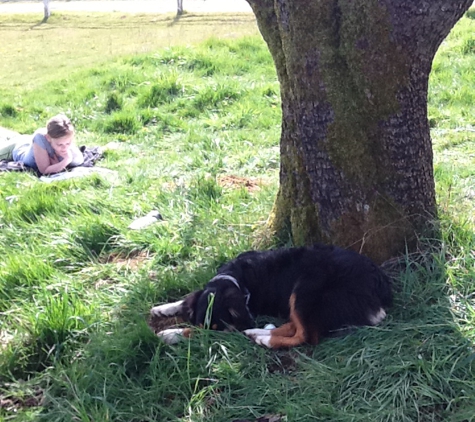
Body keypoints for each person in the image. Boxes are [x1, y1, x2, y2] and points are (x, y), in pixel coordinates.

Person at [0, 114, 84, 175]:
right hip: (19, 148)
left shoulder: (68, 143)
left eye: (68, 143)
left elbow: (79, 160)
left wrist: (61, 163)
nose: (64, 147)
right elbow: (44, 170)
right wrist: (66, 161)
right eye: (59, 144)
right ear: (48, 138)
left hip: (32, 143)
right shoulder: (40, 137)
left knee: (12, 136)